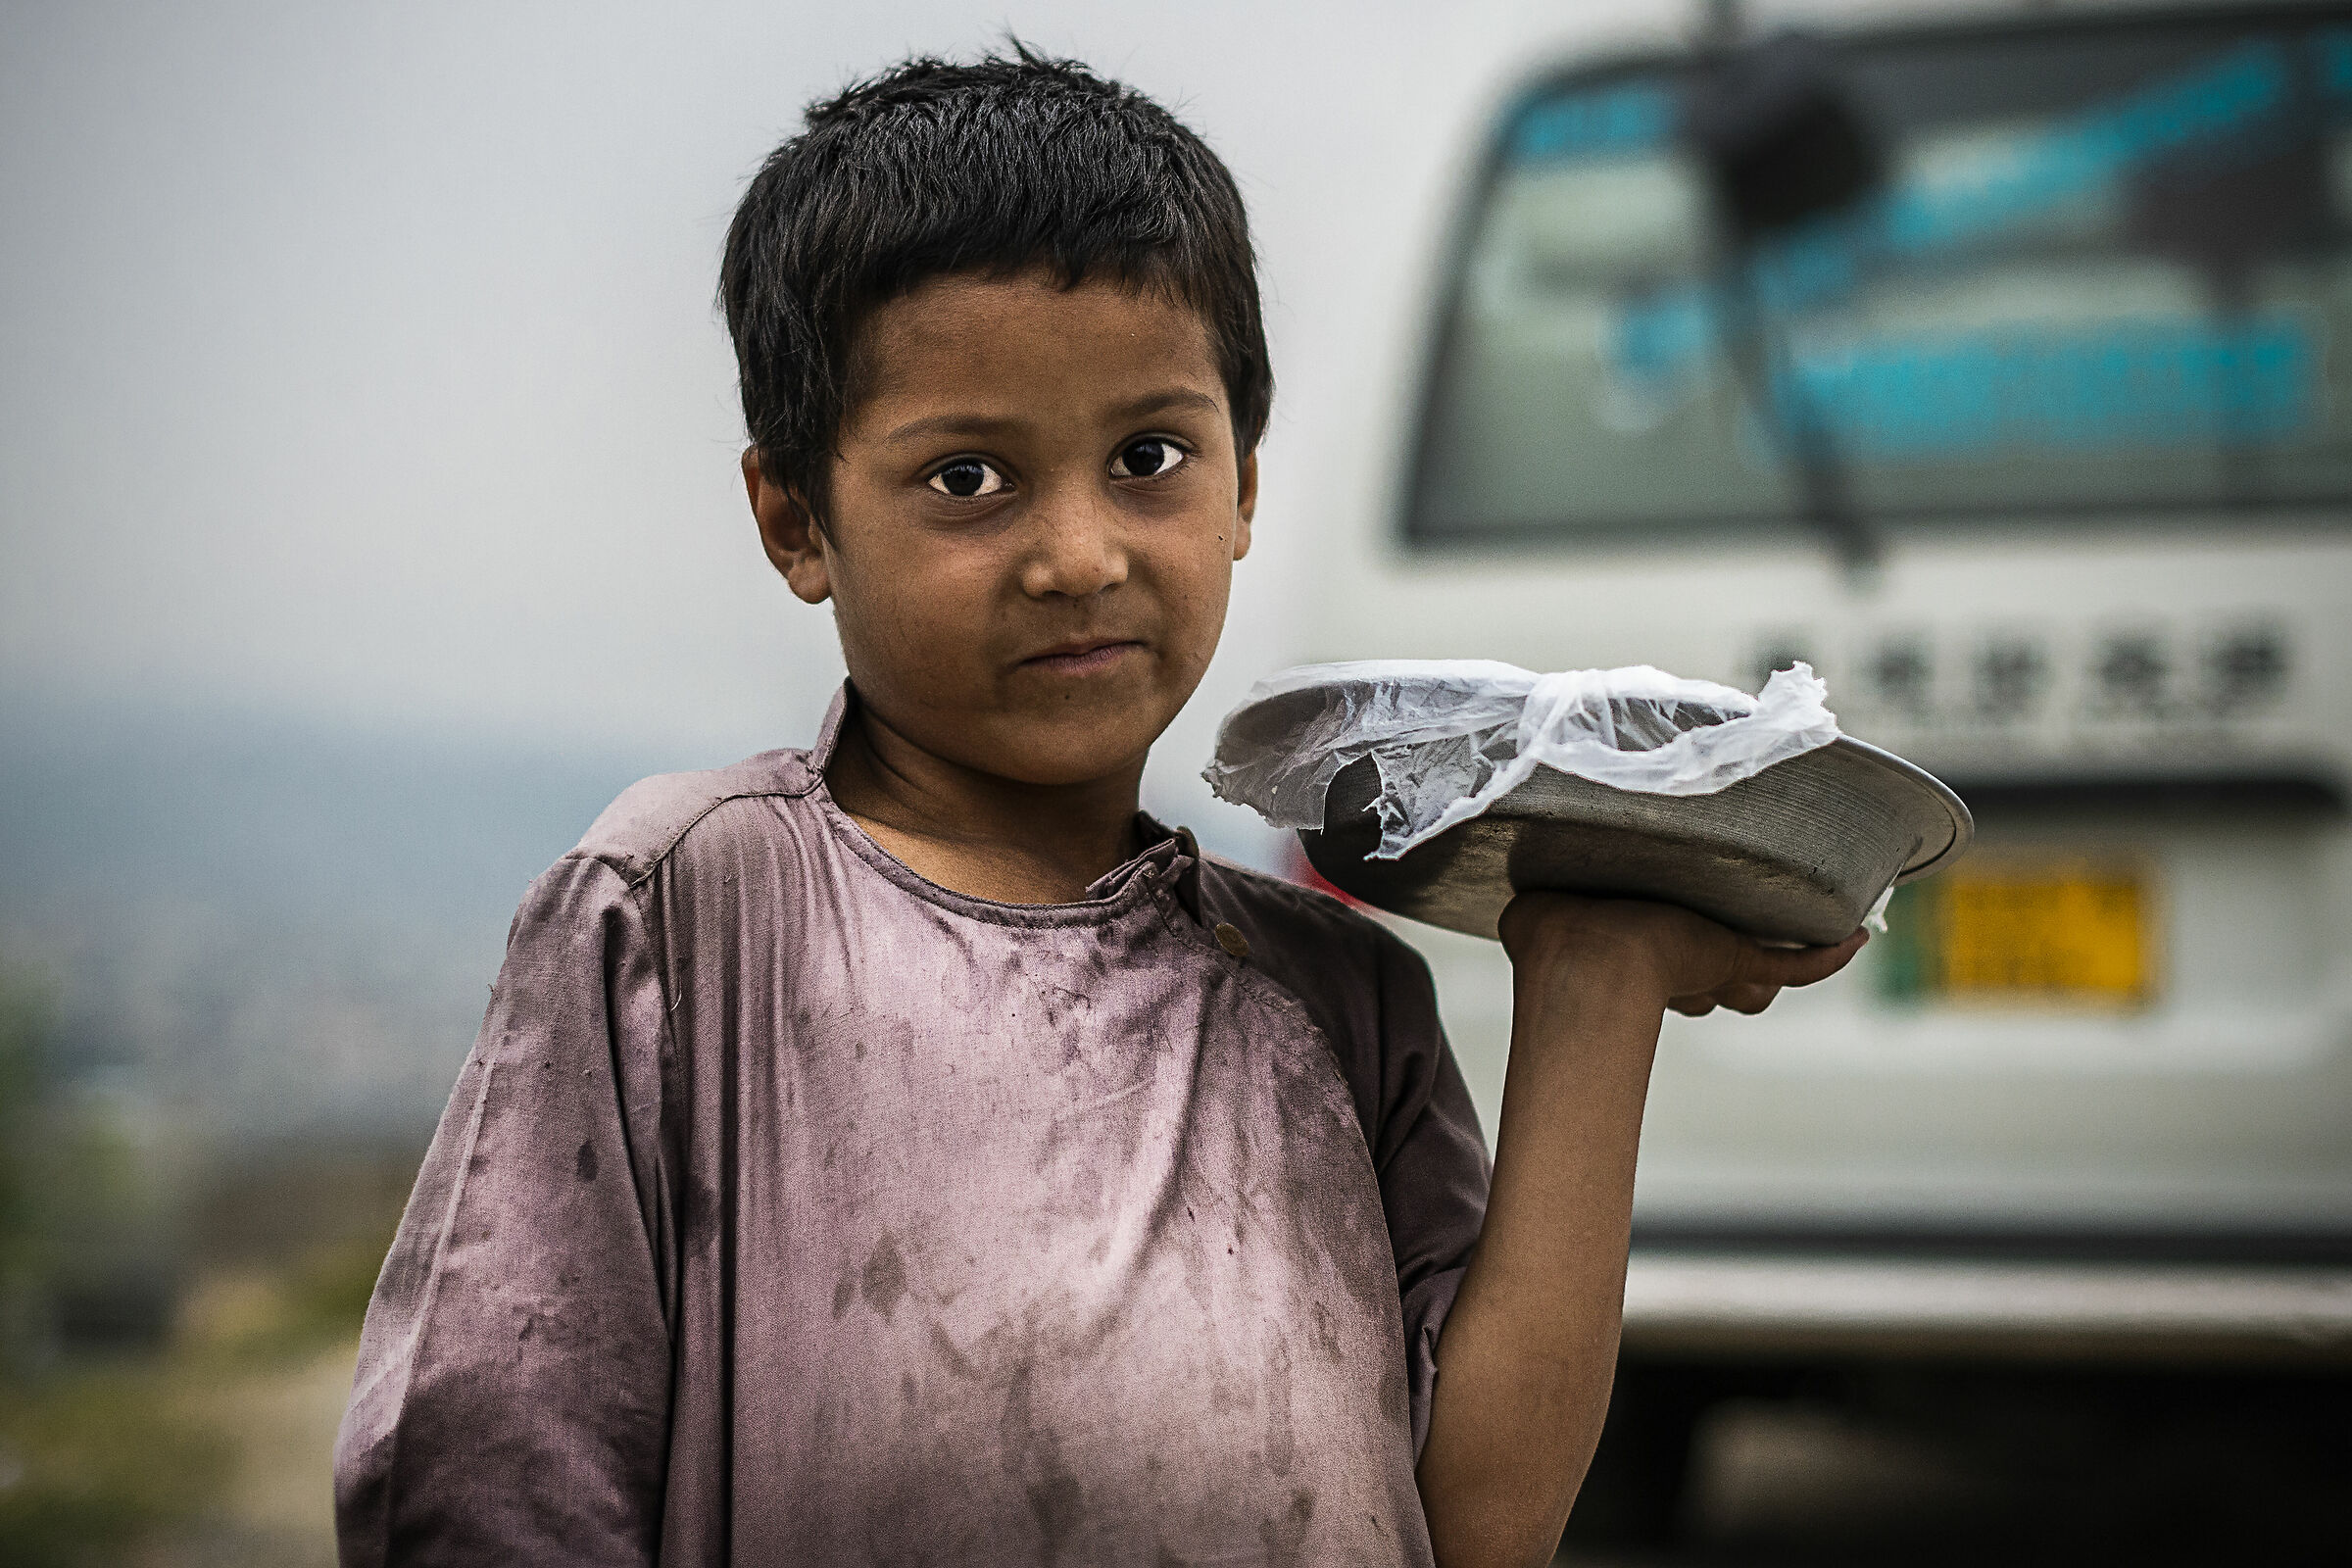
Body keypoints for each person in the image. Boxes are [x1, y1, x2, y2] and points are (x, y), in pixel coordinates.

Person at [331, 47, 1863, 1568]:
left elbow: (1480, 1521)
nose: (1078, 554)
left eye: (1148, 458)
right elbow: (483, 1490)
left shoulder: (1339, 1002)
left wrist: (1593, 993)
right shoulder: (687, 917)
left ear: (1246, 483)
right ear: (797, 516)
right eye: (968, 479)